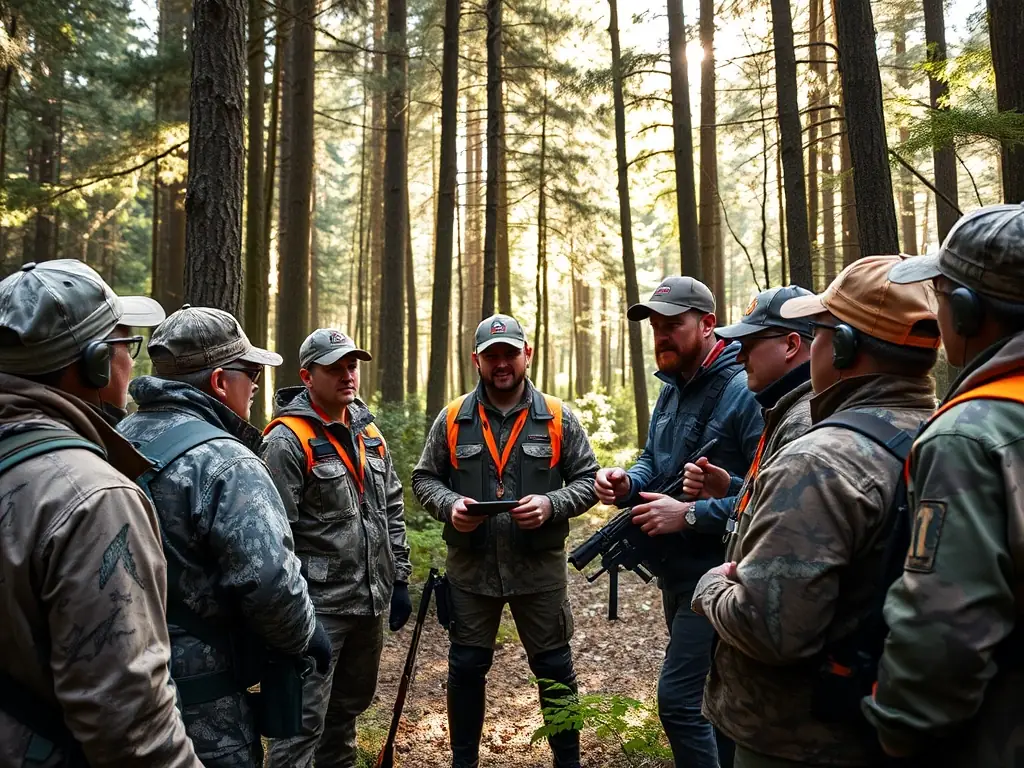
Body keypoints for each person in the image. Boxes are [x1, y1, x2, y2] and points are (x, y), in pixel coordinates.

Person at [691, 255, 941, 768]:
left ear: (844, 346)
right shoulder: (948, 435)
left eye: (821, 330)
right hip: (896, 723)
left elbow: (771, 629)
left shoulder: (820, 460)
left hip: (798, 738)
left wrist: (711, 585)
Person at [0, 259, 201, 767]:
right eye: (125, 346)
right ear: (93, 363)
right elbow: (132, 729)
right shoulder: (93, 499)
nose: (131, 363)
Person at [117, 304, 329, 768]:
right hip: (201, 704)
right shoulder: (227, 463)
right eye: (249, 371)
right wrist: (307, 635)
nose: (255, 383)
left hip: (115, 687)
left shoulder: (113, 438)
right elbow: (270, 583)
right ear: (218, 382)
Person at [860, 203, 1024, 766]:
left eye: (940, 293)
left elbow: (945, 628)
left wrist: (899, 731)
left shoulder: (970, 435)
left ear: (967, 309)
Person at [412, 314, 599, 768]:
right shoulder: (454, 417)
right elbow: (424, 478)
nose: (501, 364)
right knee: (466, 669)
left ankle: (567, 762)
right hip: (472, 572)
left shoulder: (556, 416)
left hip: (538, 571)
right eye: (492, 355)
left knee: (555, 670)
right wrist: (450, 504)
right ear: (476, 359)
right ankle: (464, 761)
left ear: (527, 355)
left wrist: (552, 504)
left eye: (510, 354)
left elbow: (589, 480)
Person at [594, 276, 763, 768]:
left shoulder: (743, 390)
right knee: (716, 701)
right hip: (678, 573)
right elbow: (655, 461)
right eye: (655, 327)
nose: (661, 336)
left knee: (679, 701)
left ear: (708, 325)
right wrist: (627, 482)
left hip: (720, 574)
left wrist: (689, 515)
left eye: (673, 325)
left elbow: (766, 495)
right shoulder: (672, 390)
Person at [261, 328, 412, 768]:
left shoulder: (369, 433)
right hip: (317, 612)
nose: (348, 375)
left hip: (367, 605)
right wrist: (295, 618)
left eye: (352, 366)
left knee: (344, 718)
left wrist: (399, 577)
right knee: (300, 729)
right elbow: (276, 539)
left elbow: (392, 506)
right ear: (308, 376)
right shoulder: (286, 441)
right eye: (335, 368)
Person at [682, 285, 816, 551]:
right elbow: (774, 500)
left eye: (749, 345)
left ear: (791, 345)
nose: (740, 356)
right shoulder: (781, 410)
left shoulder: (802, 424)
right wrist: (731, 487)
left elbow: (784, 545)